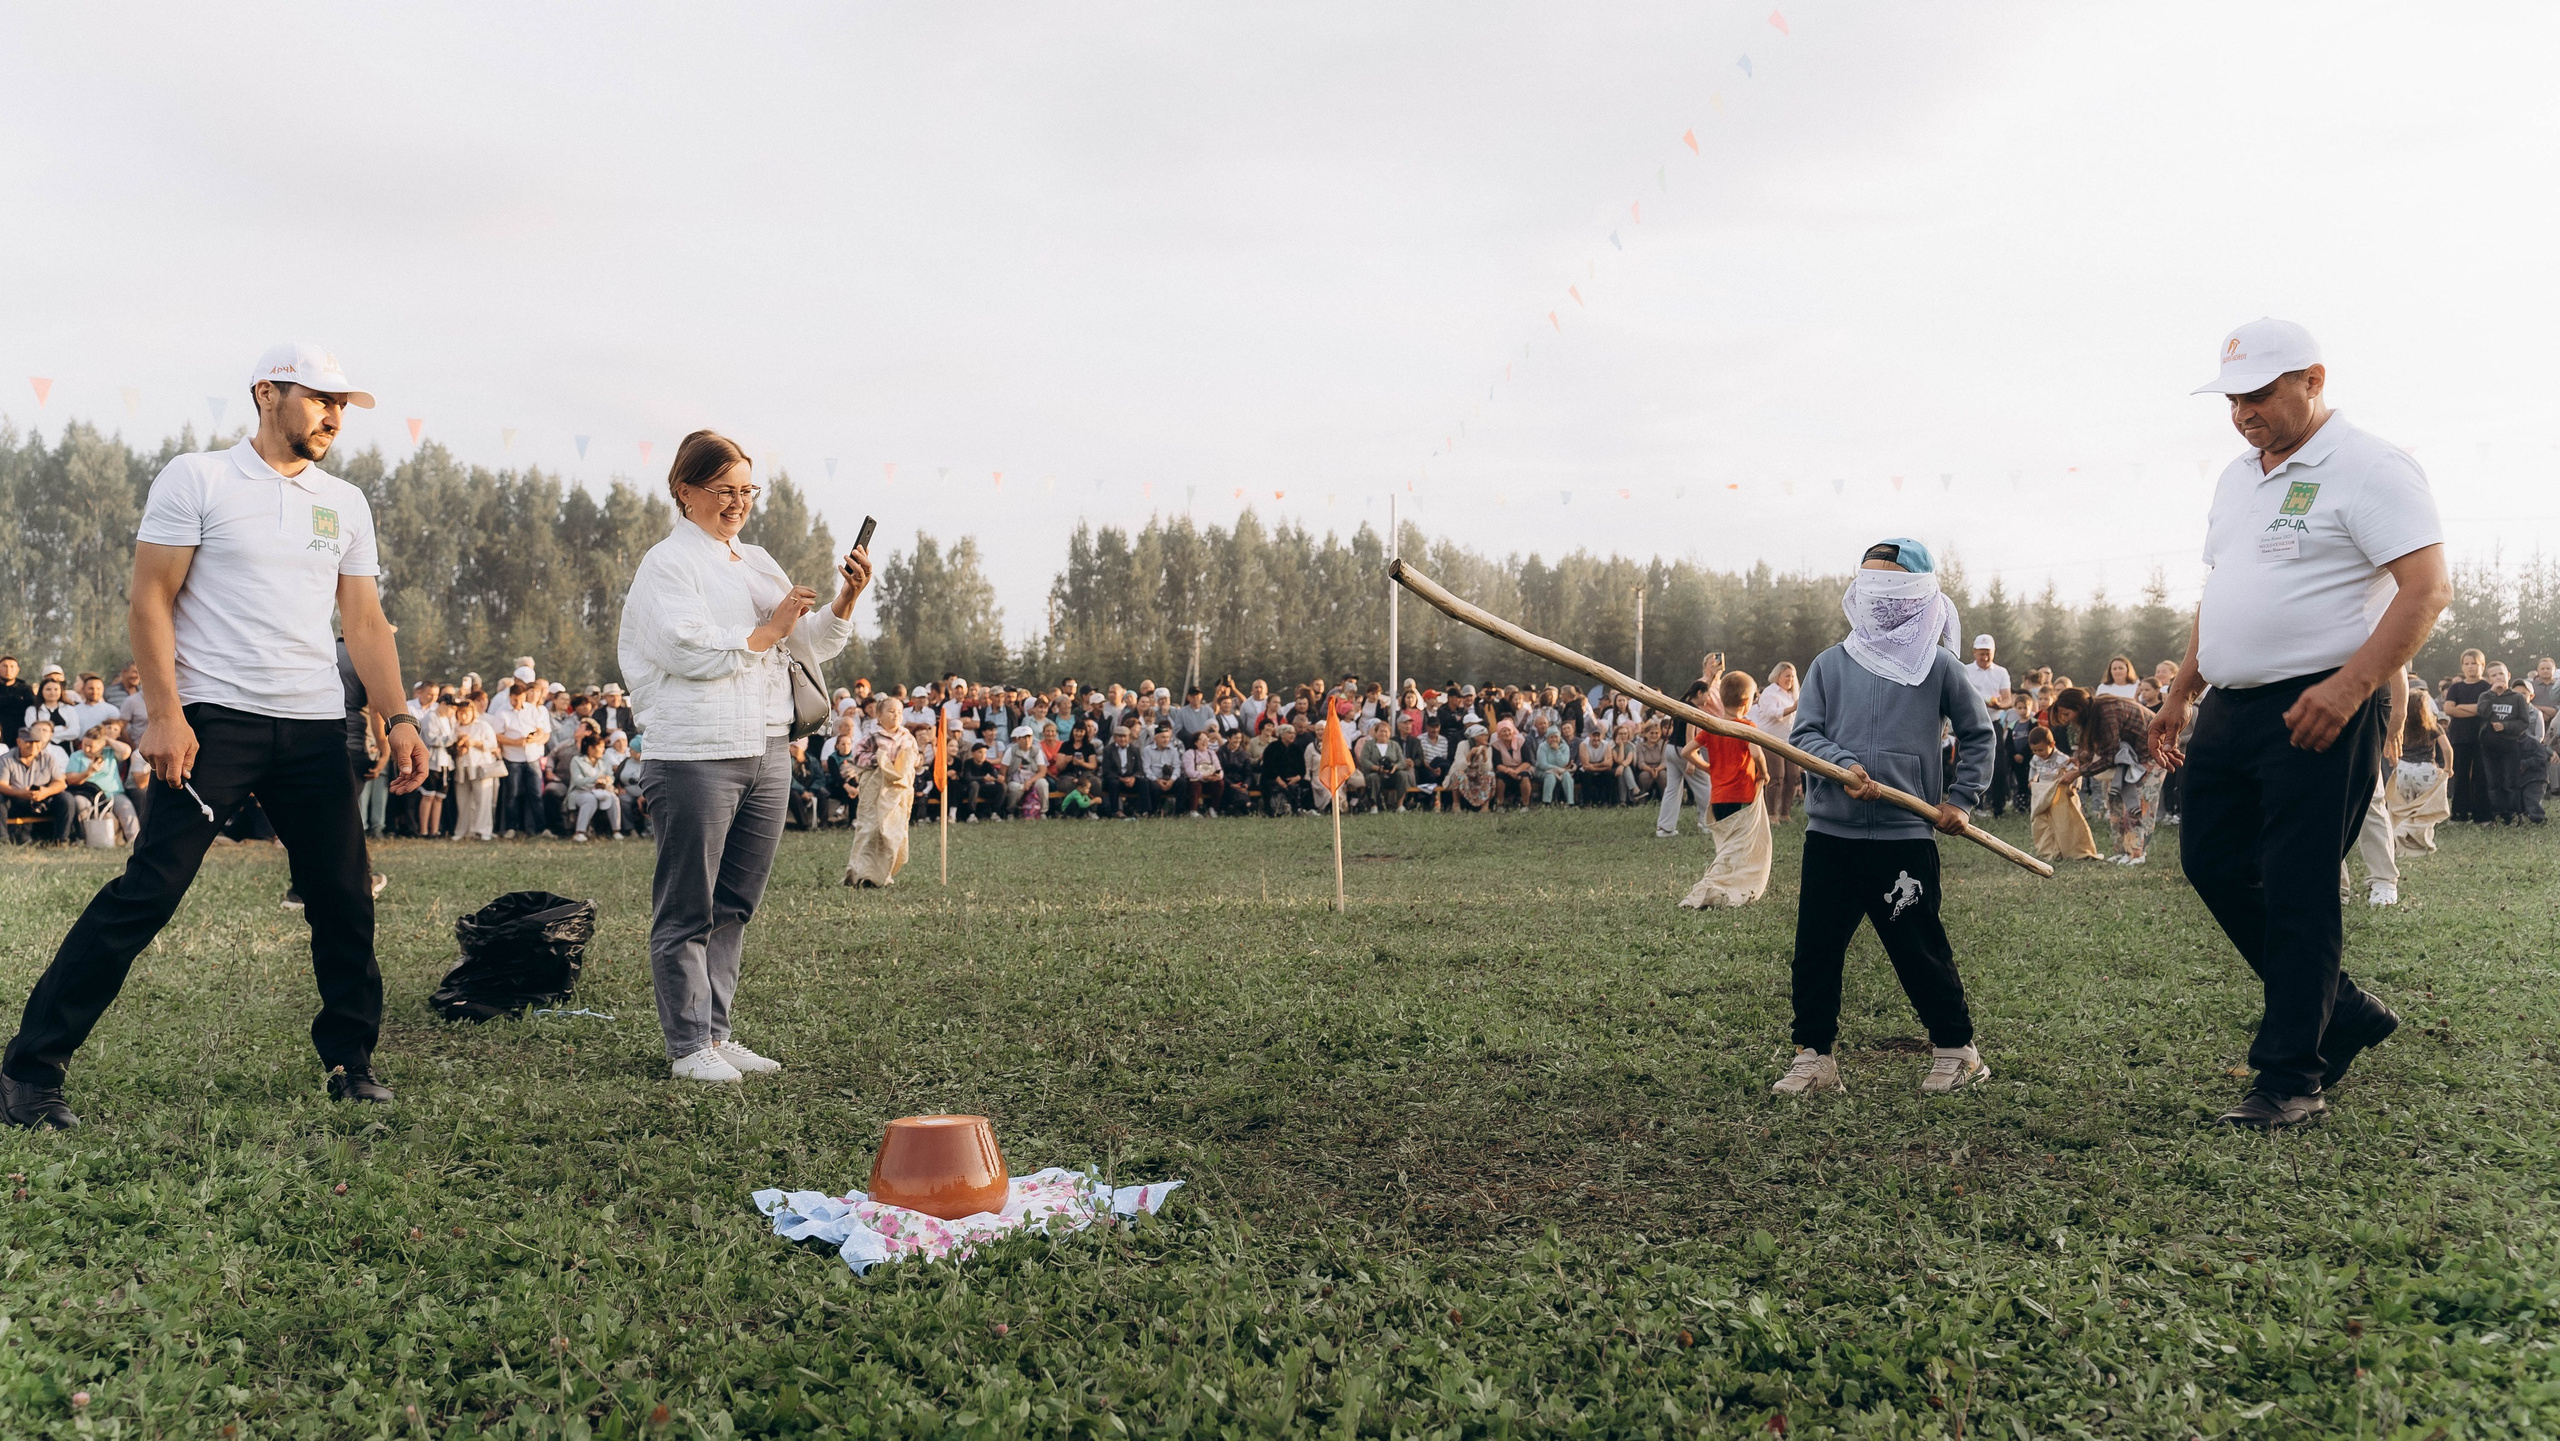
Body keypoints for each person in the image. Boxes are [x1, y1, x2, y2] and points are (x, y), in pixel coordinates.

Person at [2, 344, 427, 1130]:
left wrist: (397, 713)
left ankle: (350, 1061)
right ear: (267, 392)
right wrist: (165, 712)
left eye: (344, 403)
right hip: (214, 722)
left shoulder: (346, 502)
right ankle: (29, 1072)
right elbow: (149, 599)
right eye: (319, 397)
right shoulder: (197, 477)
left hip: (310, 725)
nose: (334, 415)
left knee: (343, 898)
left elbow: (365, 623)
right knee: (148, 892)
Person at [2152, 318, 2450, 1130]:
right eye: (2233, 398)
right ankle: (2341, 1009)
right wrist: (2183, 687)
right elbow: (2222, 588)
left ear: (2312, 379)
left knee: (2298, 887)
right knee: (2211, 861)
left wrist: (2351, 690)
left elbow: (2425, 589)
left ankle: (2290, 1079)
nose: (2244, 412)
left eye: (2260, 394)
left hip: (2323, 706)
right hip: (2230, 704)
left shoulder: (2373, 466)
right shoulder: (2235, 479)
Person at [618, 429, 870, 1084]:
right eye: (724, 490)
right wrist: (769, 630)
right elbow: (686, 647)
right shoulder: (666, 564)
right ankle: (686, 1045)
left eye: (746, 490)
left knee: (735, 901)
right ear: (685, 491)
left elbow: (805, 643)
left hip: (767, 745)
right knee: (688, 905)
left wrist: (844, 598)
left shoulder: (755, 559)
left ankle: (717, 1033)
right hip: (696, 750)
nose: (738, 502)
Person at [1772, 538, 1994, 1099]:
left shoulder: (1939, 666)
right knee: (1816, 950)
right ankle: (1814, 1057)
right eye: (1871, 588)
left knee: (1918, 946)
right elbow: (1805, 736)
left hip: (1904, 838)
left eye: (1893, 589)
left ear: (1919, 596)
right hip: (1832, 835)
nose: (1882, 602)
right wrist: (1842, 764)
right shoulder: (1829, 664)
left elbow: (1977, 735)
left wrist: (1961, 799)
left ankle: (1956, 1050)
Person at [1680, 670, 1773, 908]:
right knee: (1737, 847)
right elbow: (1756, 753)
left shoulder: (1713, 727)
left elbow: (1686, 752)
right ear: (1746, 703)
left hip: (1719, 797)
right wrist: (1763, 773)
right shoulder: (1746, 726)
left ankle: (1725, 887)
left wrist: (1708, 767)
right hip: (1741, 796)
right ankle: (1709, 888)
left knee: (1728, 846)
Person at [2046, 686, 2162, 864]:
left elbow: (2109, 755)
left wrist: (2079, 772)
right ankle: (2122, 851)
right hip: (2129, 756)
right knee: (2114, 801)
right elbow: (2096, 746)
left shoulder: (2107, 712)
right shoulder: (2093, 713)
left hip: (2152, 753)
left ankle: (2137, 853)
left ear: (2078, 708)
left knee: (2138, 803)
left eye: (2067, 714)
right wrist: (2079, 760)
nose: (2067, 720)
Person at [844, 695, 917, 884]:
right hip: (876, 790)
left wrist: (909, 762)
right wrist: (880, 760)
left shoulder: (907, 737)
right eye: (891, 711)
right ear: (879, 715)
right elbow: (858, 756)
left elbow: (916, 757)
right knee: (871, 829)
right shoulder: (872, 736)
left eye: (899, 712)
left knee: (892, 832)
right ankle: (860, 872)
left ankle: (882, 875)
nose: (896, 716)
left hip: (897, 792)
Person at [2387, 679, 2453, 852]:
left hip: (2403, 769)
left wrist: (2394, 762)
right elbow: (2447, 749)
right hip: (2425, 770)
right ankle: (2422, 843)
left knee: (2406, 807)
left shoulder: (2401, 726)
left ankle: (2402, 843)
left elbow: (2391, 745)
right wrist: (2448, 767)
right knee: (2425, 809)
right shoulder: (2433, 726)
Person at [2476, 662, 2545, 825]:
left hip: (2510, 745)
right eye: (2493, 675)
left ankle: (2512, 813)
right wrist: (2492, 693)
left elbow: (2524, 722)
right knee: (2493, 782)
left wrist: (2505, 726)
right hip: (2489, 746)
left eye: (2500, 674)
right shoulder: (2485, 696)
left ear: (2508, 676)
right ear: (2488, 679)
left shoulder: (2517, 698)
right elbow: (2482, 712)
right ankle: (2496, 813)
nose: (2498, 678)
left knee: (2510, 781)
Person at [2026, 726, 2100, 861]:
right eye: (2034, 750)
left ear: (2052, 744)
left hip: (2060, 796)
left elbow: (2076, 772)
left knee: (2064, 823)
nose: (2038, 753)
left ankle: (2073, 850)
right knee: (2044, 823)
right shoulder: (2036, 759)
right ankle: (2049, 852)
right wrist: (2032, 780)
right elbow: (2033, 768)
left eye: (2041, 750)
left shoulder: (2062, 759)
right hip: (2044, 795)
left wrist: (2074, 788)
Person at [0, 722, 73, 844]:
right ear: (19, 742)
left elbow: (60, 783)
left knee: (67, 799)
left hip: (42, 801)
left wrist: (46, 792)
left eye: (37, 742)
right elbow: (1, 785)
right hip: (16, 801)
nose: (33, 746)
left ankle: (62, 840)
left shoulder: (48, 758)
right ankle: (3, 840)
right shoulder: (6, 759)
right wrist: (20, 793)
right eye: (29, 742)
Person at [2439, 649, 2490, 822]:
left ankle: (2481, 815)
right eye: (2466, 664)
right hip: (2460, 736)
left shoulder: (2487, 688)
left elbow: (2485, 710)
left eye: (2474, 663)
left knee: (2480, 775)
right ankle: (2459, 813)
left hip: (2482, 737)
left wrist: (2461, 708)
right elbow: (2448, 709)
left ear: (2482, 665)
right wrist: (2474, 709)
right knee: (2460, 775)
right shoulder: (2456, 687)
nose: (2470, 667)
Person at [1749, 664, 1802, 821]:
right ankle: (1771, 814)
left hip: (1789, 741)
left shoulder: (1792, 694)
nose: (1790, 679)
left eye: (1792, 676)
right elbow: (1771, 713)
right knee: (1777, 777)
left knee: (1792, 777)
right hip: (1771, 739)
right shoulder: (1770, 692)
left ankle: (1785, 813)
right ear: (1777, 676)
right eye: (1787, 676)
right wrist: (1792, 708)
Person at [450, 699, 501, 839]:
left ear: (472, 712)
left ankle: (483, 830)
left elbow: (492, 744)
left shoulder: (482, 726)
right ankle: (463, 831)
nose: (463, 716)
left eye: (466, 713)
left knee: (483, 799)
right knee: (463, 801)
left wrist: (475, 743)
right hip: (462, 767)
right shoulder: (455, 727)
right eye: (460, 713)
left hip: (480, 766)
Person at [565, 732, 623, 841]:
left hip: (601, 790)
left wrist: (606, 781)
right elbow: (578, 781)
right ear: (591, 748)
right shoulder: (577, 760)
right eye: (600, 747)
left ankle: (616, 831)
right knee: (589, 799)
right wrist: (596, 779)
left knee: (613, 798)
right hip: (580, 792)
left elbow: (610, 776)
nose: (603, 750)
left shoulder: (604, 760)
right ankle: (579, 832)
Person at [1357, 720, 1412, 813]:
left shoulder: (1394, 745)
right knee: (1373, 777)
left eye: (1386, 731)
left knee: (1403, 775)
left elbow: (1402, 761)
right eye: (1381, 731)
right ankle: (1374, 805)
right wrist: (1377, 768)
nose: (1383, 733)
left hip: (1392, 774)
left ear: (1390, 733)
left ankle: (1400, 805)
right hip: (1375, 773)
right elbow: (1364, 760)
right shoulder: (1369, 745)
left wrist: (1395, 767)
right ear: (1376, 732)